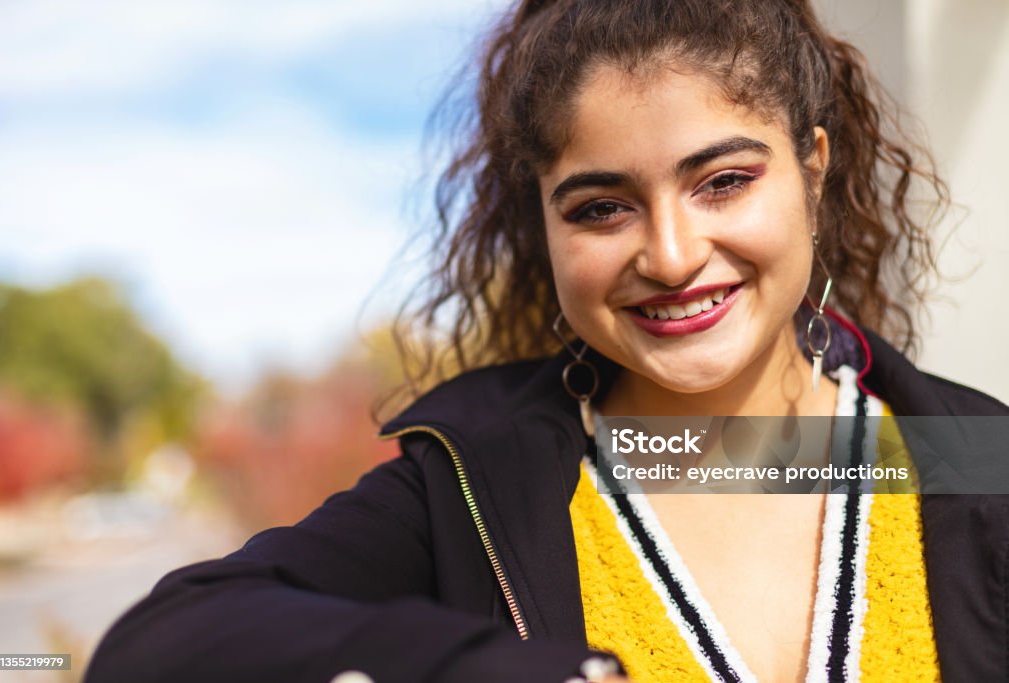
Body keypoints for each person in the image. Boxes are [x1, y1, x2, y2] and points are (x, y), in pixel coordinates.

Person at [84, 1, 1009, 682]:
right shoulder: (475, 481)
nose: (674, 254)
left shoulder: (976, 459)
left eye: (722, 180)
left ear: (811, 168)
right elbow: (159, 644)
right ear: (545, 222)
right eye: (602, 207)